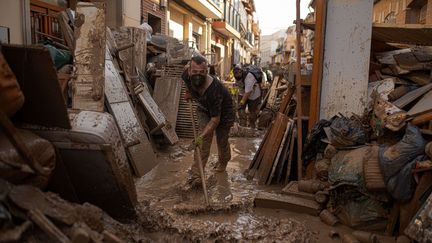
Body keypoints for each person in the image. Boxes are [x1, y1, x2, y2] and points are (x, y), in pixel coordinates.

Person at [181, 55, 235, 187]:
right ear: (189, 71)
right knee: (203, 142)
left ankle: (223, 161)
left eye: (202, 72)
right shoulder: (185, 75)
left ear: (207, 71)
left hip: (224, 113)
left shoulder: (214, 90)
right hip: (203, 108)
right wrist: (189, 92)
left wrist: (200, 136)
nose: (197, 75)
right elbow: (188, 84)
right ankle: (196, 175)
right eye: (194, 72)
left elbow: (215, 120)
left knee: (221, 140)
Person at [233, 64, 261, 129]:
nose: (236, 75)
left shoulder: (249, 77)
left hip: (254, 94)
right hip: (243, 92)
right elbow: (240, 88)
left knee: (252, 113)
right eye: (235, 73)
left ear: (241, 72)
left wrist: (241, 102)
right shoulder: (238, 77)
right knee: (241, 111)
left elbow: (248, 92)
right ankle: (243, 127)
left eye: (238, 73)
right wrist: (239, 104)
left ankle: (252, 128)